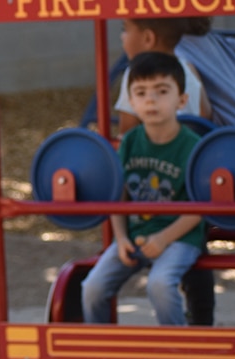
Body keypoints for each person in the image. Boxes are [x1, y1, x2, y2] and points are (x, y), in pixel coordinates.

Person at [82, 52, 206, 327]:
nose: (151, 100)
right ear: (132, 102)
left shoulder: (193, 146)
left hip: (180, 238)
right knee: (92, 287)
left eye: (162, 91)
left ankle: (180, 353)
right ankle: (101, 351)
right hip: (135, 235)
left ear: (182, 100)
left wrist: (163, 238)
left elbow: (201, 209)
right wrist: (121, 238)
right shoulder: (130, 142)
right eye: (141, 92)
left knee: (159, 286)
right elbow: (118, 194)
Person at [114, 17, 210, 136]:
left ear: (148, 38)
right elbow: (205, 114)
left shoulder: (136, 72)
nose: (121, 37)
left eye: (125, 30)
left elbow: (127, 130)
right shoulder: (189, 68)